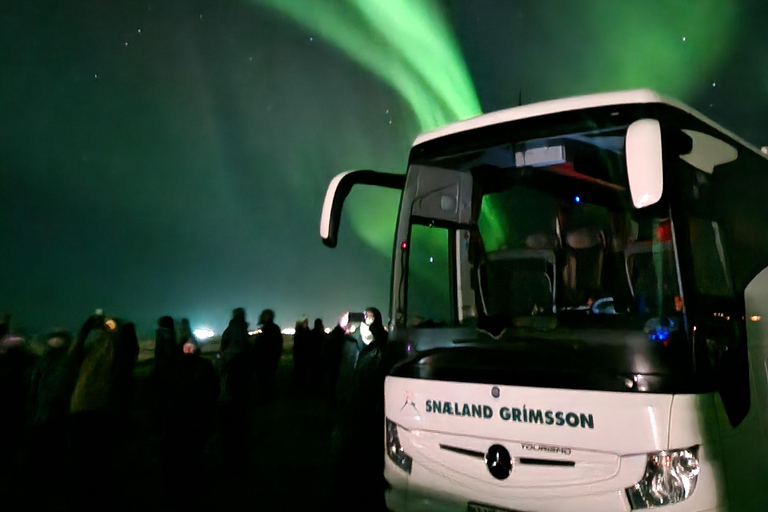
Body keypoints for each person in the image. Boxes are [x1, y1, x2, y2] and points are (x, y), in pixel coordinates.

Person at [67, 313, 138, 510]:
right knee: (84, 462)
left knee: (97, 462)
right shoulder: (92, 348)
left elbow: (125, 343)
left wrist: (111, 326)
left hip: (101, 410)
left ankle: (95, 498)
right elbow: (73, 353)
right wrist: (85, 328)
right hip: (84, 408)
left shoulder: (120, 349)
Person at [330, 307, 390, 511]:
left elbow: (387, 346)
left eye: (372, 317)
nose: (367, 320)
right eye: (365, 316)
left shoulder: (381, 348)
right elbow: (326, 351)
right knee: (340, 468)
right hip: (343, 415)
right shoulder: (347, 342)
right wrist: (339, 328)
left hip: (368, 419)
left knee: (366, 471)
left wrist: (378, 330)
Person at [162, 340, 219, 511]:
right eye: (187, 347)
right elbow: (213, 389)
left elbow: (165, 390)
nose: (188, 350)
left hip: (182, 416)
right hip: (194, 416)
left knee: (183, 453)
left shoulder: (175, 366)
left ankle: (181, 489)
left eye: (190, 347)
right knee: (191, 452)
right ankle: (190, 487)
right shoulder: (204, 365)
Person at [218, 307, 253, 474]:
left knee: (230, 421)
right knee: (240, 420)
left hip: (231, 377)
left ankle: (230, 459)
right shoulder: (245, 338)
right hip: (243, 382)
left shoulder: (229, 332)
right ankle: (238, 458)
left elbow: (223, 350)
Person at [154, 316, 178, 435]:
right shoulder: (171, 336)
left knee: (160, 401)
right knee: (169, 401)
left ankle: (158, 429)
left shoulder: (160, 335)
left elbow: (159, 354)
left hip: (162, 371)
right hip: (170, 372)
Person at [254, 309, 282, 398]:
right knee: (270, 379)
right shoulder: (274, 328)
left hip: (266, 360)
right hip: (271, 360)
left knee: (265, 380)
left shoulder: (268, 329)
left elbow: (263, 345)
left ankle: (266, 398)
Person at [292, 317, 310, 391]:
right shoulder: (304, 332)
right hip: (302, 355)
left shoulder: (298, 333)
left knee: (298, 371)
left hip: (298, 355)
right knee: (302, 371)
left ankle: (298, 386)